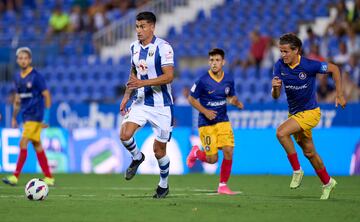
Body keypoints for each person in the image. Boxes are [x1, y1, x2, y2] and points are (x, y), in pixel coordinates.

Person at [271, 33, 346, 200]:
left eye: (285, 52)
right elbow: (275, 96)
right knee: (309, 152)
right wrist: (275, 88)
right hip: (295, 114)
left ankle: (297, 170)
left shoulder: (309, 65)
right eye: (281, 51)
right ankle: (328, 182)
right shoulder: (279, 66)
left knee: (281, 132)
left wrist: (339, 94)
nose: (282, 55)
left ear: (296, 50)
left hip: (311, 113)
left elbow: (334, 69)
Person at [119, 11, 174, 198]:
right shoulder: (134, 47)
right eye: (137, 26)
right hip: (141, 102)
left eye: (142, 26)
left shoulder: (163, 47)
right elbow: (133, 74)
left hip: (162, 106)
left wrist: (142, 83)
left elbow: (169, 76)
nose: (139, 30)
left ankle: (163, 185)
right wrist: (127, 96)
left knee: (159, 152)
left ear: (152, 27)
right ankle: (137, 157)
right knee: (125, 135)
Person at [186, 48, 244, 195]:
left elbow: (230, 96)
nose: (214, 63)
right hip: (206, 123)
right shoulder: (202, 81)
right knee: (212, 159)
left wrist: (235, 102)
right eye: (211, 60)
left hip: (223, 120)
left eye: (217, 60)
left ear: (223, 62)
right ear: (208, 62)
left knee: (229, 150)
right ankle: (196, 153)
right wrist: (205, 111)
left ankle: (222, 185)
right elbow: (191, 99)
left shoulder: (229, 79)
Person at [2, 47, 55, 186]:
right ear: (17, 60)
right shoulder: (17, 78)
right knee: (37, 145)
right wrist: (14, 117)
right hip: (26, 117)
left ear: (30, 60)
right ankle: (49, 177)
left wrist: (47, 117)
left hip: (36, 116)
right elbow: (18, 99)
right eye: (20, 58)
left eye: (26, 58)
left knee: (23, 142)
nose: (23, 60)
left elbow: (47, 95)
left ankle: (15, 176)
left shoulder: (36, 76)